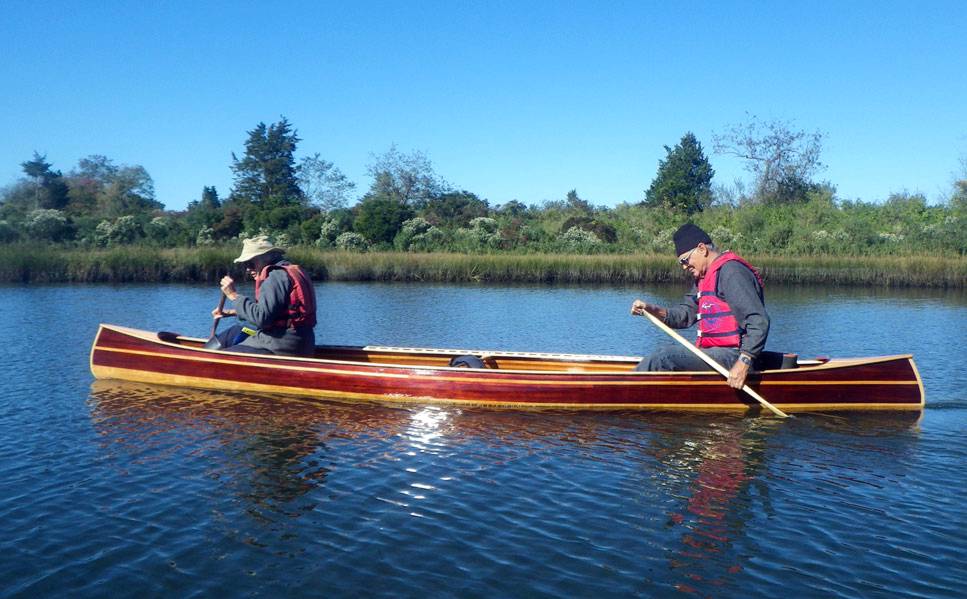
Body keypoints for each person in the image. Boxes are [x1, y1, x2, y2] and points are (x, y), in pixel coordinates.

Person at [630, 223, 769, 389]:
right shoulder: (704, 278)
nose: (683, 266)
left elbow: (758, 320)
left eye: (685, 260)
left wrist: (744, 361)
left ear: (702, 249)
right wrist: (650, 309)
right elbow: (684, 315)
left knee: (662, 356)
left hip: (734, 355)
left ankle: (622, 394)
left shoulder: (732, 272)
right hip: (716, 353)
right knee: (663, 356)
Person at [212, 235, 317, 356]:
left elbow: (262, 319)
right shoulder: (289, 271)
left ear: (267, 257)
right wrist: (231, 312)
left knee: (220, 356)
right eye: (245, 264)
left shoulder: (275, 277)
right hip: (301, 342)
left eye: (251, 263)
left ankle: (201, 363)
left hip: (280, 345)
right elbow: (273, 311)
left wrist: (233, 295)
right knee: (234, 332)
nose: (247, 268)